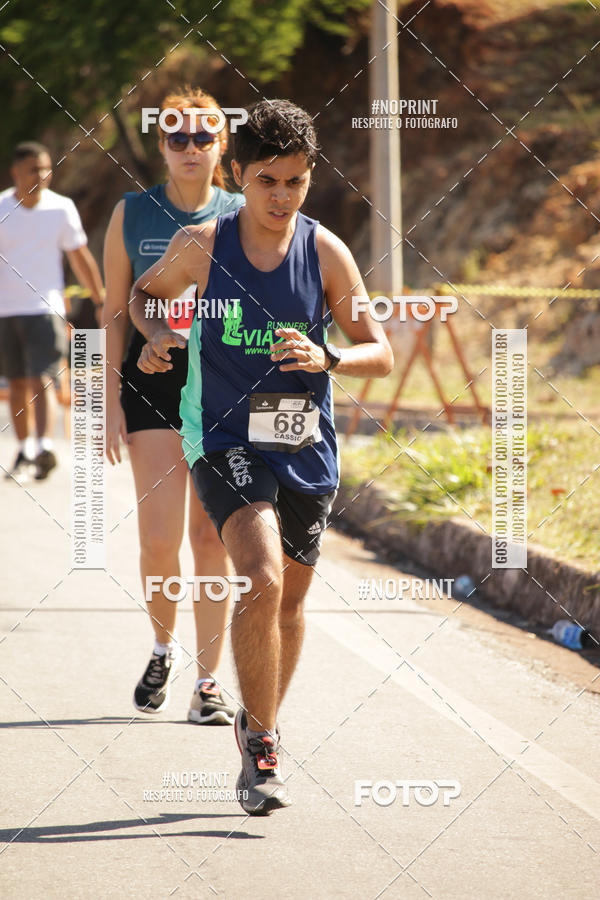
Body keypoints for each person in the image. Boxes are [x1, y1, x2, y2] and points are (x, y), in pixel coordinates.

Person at [130, 99, 393, 814]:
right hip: (224, 438)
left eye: (297, 182)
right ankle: (265, 745)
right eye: (269, 180)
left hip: (304, 443)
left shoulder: (326, 251)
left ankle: (257, 717)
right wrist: (156, 336)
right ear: (239, 174)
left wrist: (329, 353)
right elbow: (144, 296)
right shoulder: (203, 244)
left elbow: (381, 351)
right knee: (261, 576)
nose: (282, 197)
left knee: (290, 604)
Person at [103, 87, 245, 724]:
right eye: (176, 136)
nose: (190, 148)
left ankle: (209, 683)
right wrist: (104, 400)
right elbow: (112, 313)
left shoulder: (246, 210)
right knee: (161, 540)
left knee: (211, 541)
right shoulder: (131, 213)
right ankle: (164, 646)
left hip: (224, 386)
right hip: (152, 382)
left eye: (203, 136)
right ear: (160, 145)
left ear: (221, 144)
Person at [0, 141, 104, 482]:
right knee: (16, 383)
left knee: (42, 377)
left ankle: (44, 446)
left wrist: (100, 299)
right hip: (6, 311)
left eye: (46, 168)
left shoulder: (61, 208)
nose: (42, 175)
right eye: (34, 169)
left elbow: (80, 256)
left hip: (45, 308)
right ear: (16, 172)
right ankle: (25, 449)